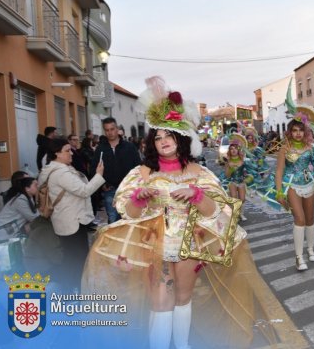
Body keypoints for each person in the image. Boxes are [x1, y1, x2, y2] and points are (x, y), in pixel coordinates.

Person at [83, 77, 281, 349]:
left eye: (169, 134)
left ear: (181, 138)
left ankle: (183, 345)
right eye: (159, 136)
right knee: (161, 301)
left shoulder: (199, 173)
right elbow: (126, 211)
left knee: (183, 298)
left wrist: (197, 195)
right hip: (156, 245)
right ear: (152, 142)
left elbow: (217, 211)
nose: (163, 141)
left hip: (190, 242)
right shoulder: (142, 173)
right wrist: (140, 199)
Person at [260, 87, 314, 272]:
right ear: (290, 132)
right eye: (294, 130)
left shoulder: (311, 147)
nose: (298, 133)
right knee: (299, 218)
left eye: (301, 130)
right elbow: (279, 171)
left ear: (305, 132)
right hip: (291, 184)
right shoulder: (284, 149)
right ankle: (299, 257)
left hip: (309, 184)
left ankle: (310, 249)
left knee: (310, 218)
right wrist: (278, 191)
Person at [38, 138, 104, 292]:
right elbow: (84, 191)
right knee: (78, 260)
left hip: (64, 220)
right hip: (72, 222)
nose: (71, 153)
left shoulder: (53, 169)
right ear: (57, 154)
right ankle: (74, 294)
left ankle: (70, 291)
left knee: (70, 258)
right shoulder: (61, 173)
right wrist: (99, 175)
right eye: (67, 150)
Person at [93, 117, 141, 223]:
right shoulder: (101, 149)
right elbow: (94, 168)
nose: (110, 132)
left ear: (117, 128)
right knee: (113, 219)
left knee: (129, 219)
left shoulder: (129, 147)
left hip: (128, 189)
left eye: (112, 129)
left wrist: (136, 185)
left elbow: (138, 167)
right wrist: (102, 185)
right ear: (104, 131)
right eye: (107, 130)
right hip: (110, 190)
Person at [0, 175, 39, 241]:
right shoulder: (20, 200)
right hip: (3, 232)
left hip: (14, 227)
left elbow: (35, 214)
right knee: (41, 224)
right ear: (27, 188)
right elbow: (34, 218)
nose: (38, 187)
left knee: (40, 224)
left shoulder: (28, 197)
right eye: (36, 185)